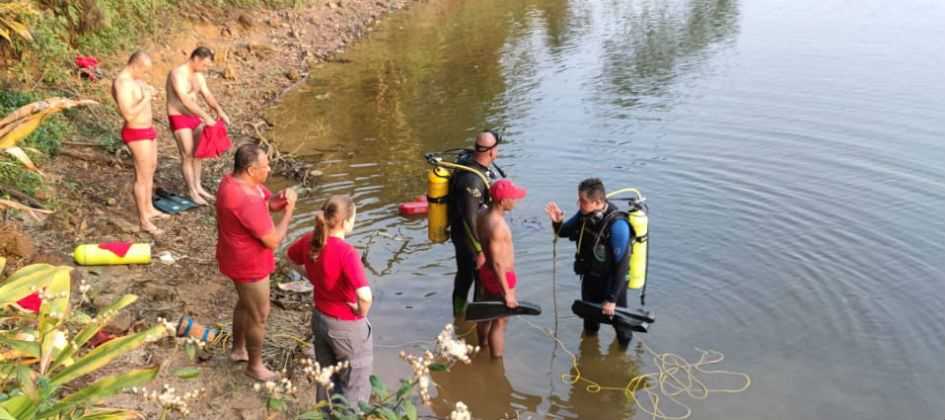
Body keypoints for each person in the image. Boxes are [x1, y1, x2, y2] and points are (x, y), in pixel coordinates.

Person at [216, 143, 297, 380]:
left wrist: (278, 201)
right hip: (249, 264)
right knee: (259, 314)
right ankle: (255, 366)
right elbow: (272, 241)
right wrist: (289, 212)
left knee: (245, 303)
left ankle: (238, 350)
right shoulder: (245, 198)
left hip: (234, 256)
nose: (269, 169)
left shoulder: (232, 182)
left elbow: (266, 203)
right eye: (266, 166)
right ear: (251, 169)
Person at [286, 195, 373, 404]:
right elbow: (365, 296)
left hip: (321, 320)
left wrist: (311, 277)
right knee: (354, 386)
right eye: (354, 218)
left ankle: (325, 415)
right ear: (345, 222)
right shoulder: (347, 253)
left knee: (327, 379)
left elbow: (290, 257)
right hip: (347, 329)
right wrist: (361, 312)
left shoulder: (310, 239)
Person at [545, 178, 634, 346]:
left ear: (598, 202)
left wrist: (612, 299)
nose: (579, 205)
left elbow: (621, 266)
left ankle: (623, 357)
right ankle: (589, 355)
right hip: (590, 279)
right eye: (579, 200)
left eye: (583, 202)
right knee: (590, 324)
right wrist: (557, 222)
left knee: (622, 328)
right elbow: (563, 232)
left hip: (612, 282)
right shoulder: (584, 215)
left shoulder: (618, 226)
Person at [111, 50, 167, 235]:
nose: (145, 75)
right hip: (135, 132)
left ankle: (149, 208)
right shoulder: (122, 83)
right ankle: (143, 220)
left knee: (151, 168)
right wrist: (145, 98)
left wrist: (149, 93)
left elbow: (143, 99)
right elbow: (128, 113)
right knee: (142, 176)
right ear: (135, 66)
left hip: (148, 129)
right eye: (144, 71)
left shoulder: (136, 80)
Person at [166, 46, 231, 206]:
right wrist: (206, 116)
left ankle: (198, 186)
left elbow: (207, 94)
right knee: (187, 154)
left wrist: (219, 110)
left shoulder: (199, 76)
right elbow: (184, 99)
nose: (206, 68)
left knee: (198, 153)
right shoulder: (178, 74)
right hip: (179, 116)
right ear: (196, 59)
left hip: (193, 116)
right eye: (205, 65)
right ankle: (192, 191)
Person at [447, 130, 500, 316]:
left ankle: (461, 319)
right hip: (467, 238)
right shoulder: (472, 179)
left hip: (467, 234)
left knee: (467, 276)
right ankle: (470, 317)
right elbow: (468, 217)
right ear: (492, 152)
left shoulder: (469, 162)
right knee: (473, 277)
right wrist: (478, 251)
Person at [475, 179, 526, 358]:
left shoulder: (482, 214)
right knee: (500, 320)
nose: (516, 201)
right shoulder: (498, 227)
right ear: (503, 201)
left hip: (486, 271)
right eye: (513, 197)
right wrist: (507, 293)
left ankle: (482, 346)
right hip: (500, 276)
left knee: (485, 313)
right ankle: (496, 363)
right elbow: (498, 263)